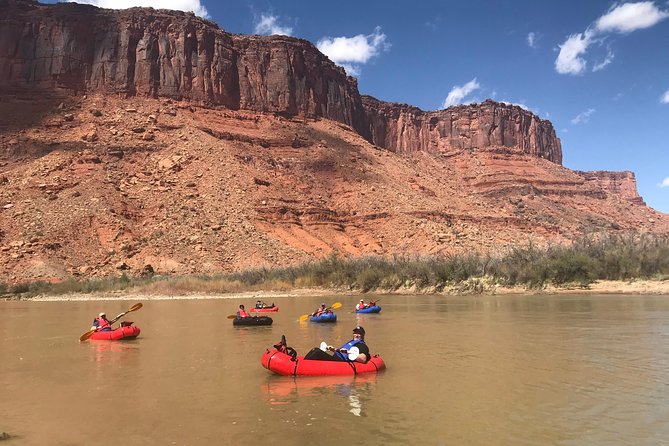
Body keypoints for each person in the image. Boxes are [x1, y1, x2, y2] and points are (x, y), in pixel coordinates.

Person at [304, 326, 370, 363]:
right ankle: (303, 363)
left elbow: (363, 358)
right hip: (336, 359)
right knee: (315, 350)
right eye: (355, 333)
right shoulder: (351, 342)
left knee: (316, 351)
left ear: (363, 335)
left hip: (341, 363)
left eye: (359, 333)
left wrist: (347, 352)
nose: (356, 335)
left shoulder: (362, 345)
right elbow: (341, 353)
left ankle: (302, 366)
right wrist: (333, 350)